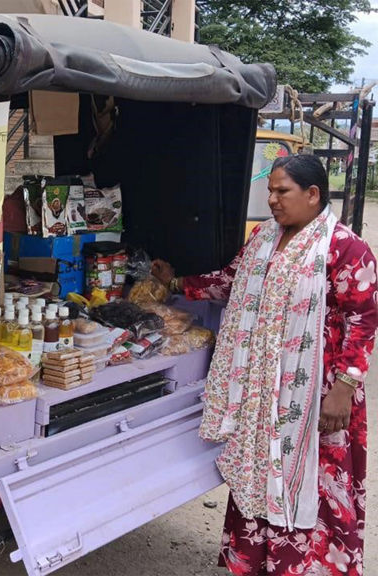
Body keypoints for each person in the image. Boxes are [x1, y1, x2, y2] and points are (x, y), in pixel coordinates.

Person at [151, 154, 378, 575]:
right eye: (270, 191)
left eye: (282, 191)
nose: (272, 200)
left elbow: (363, 318)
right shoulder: (263, 239)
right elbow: (232, 282)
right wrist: (178, 283)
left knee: (314, 476)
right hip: (262, 390)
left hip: (317, 395)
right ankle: (261, 563)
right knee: (260, 473)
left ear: (313, 195)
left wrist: (343, 389)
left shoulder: (345, 247)